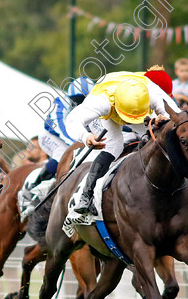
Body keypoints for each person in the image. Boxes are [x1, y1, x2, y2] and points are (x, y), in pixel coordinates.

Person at [63, 70, 179, 222]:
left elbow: (179, 117)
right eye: (129, 118)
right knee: (114, 146)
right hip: (111, 101)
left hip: (140, 103)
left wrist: (165, 118)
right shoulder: (101, 101)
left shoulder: (153, 92)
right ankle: (86, 195)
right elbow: (72, 120)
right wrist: (86, 137)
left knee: (159, 134)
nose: (130, 122)